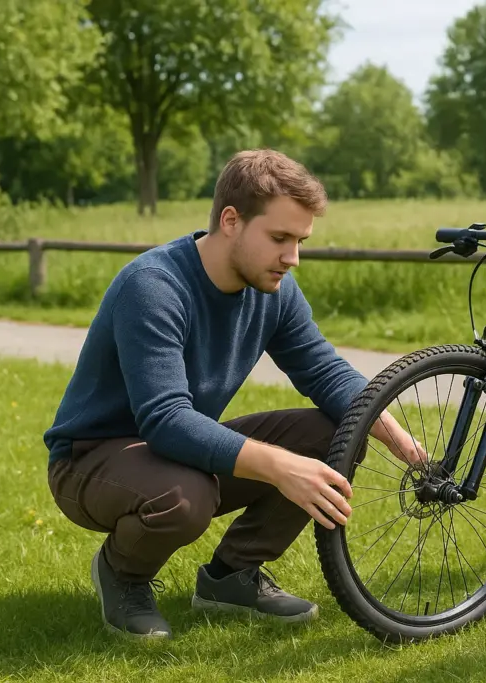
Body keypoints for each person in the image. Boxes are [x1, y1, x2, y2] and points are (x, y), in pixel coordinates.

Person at [43, 149, 428, 640]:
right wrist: (281, 467)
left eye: (301, 241)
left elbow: (324, 371)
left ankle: (231, 577)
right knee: (187, 496)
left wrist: (395, 435)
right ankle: (123, 574)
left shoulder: (275, 290)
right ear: (231, 221)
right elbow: (165, 418)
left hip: (176, 453)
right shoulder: (153, 286)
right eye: (280, 238)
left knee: (334, 435)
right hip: (91, 461)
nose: (292, 257)